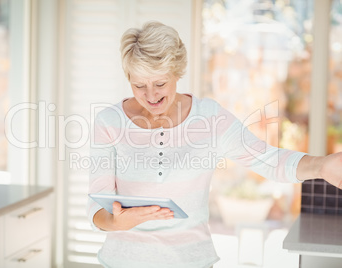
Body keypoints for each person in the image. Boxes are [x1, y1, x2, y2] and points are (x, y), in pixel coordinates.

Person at [87, 21, 342, 268]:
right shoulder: (109, 122)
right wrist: (117, 222)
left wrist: (320, 166)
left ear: (177, 72)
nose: (151, 95)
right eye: (139, 85)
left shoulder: (209, 117)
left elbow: (268, 160)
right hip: (122, 261)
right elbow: (98, 207)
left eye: (160, 83)